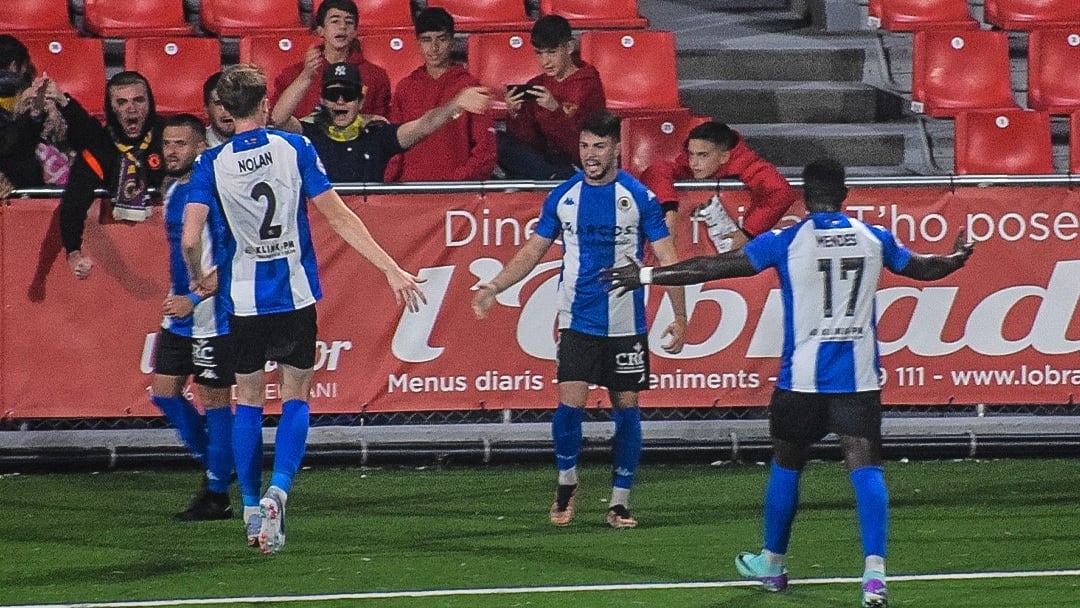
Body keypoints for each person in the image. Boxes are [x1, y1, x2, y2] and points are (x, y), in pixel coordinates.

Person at [603, 158, 975, 607]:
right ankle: (874, 576)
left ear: (804, 196)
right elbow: (923, 269)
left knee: (786, 466)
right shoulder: (872, 237)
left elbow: (714, 268)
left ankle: (773, 565)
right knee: (866, 466)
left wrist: (644, 274)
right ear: (845, 194)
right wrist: (956, 258)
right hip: (856, 379)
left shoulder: (788, 239)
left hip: (800, 381)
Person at [182, 64, 427, 555]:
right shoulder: (295, 148)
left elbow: (191, 237)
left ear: (225, 112)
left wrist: (199, 276)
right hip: (294, 293)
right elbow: (338, 215)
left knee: (248, 400)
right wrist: (390, 268)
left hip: (245, 299)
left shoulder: (210, 163)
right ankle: (280, 491)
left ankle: (252, 508)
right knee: (296, 396)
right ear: (266, 103)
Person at [472, 111, 688, 529]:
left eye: (599, 146)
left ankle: (620, 501)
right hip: (577, 318)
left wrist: (680, 316)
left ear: (617, 149)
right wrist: (494, 286)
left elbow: (667, 259)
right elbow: (534, 250)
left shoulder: (639, 198)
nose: (591, 155)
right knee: (568, 407)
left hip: (627, 322)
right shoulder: (564, 197)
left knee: (627, 411)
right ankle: (567, 481)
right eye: (585, 146)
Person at [150, 114, 234, 522]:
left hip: (211, 314)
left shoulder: (214, 193)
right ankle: (223, 461)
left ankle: (217, 494)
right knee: (163, 391)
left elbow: (234, 254)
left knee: (215, 400)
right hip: (180, 312)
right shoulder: (173, 188)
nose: (171, 151)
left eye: (181, 143)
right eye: (167, 143)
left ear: (201, 147)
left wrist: (195, 295)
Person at [276, 62, 492, 182]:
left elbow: (423, 126)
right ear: (323, 100)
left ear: (361, 101)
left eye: (348, 94)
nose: (340, 101)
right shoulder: (311, 133)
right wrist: (306, 77)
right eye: (333, 95)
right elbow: (278, 119)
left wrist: (455, 104)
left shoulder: (377, 134)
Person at [57, 71, 166, 279]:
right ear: (110, 108)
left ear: (150, 103)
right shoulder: (100, 146)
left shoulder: (169, 136)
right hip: (126, 255)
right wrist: (73, 252)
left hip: (168, 248)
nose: (131, 108)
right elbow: (74, 201)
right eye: (122, 102)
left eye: (139, 100)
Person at [640, 120, 797, 253]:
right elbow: (656, 171)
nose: (693, 162)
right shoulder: (688, 165)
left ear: (724, 156)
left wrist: (748, 233)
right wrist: (670, 210)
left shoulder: (749, 164)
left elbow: (781, 192)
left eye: (703, 155)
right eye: (691, 154)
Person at [383, 7, 496, 182]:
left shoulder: (469, 87)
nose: (434, 48)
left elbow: (485, 151)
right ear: (418, 43)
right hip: (407, 192)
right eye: (426, 40)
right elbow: (394, 146)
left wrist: (455, 183)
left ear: (451, 42)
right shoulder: (405, 87)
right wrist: (389, 186)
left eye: (441, 39)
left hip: (456, 195)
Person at [497, 14, 606, 181]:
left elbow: (582, 145)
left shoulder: (587, 84)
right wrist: (515, 114)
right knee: (495, 138)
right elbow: (528, 143)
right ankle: (546, 178)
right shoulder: (537, 84)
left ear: (569, 47)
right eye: (539, 53)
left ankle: (539, 179)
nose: (545, 61)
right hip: (542, 162)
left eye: (551, 52)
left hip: (574, 161)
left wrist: (555, 110)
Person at [270, 0, 391, 123]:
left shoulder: (376, 76)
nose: (343, 27)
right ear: (320, 30)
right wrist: (306, 75)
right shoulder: (292, 75)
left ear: (355, 32)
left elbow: (380, 124)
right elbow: (275, 120)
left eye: (349, 22)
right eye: (335, 21)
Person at [202, 72, 234, 148]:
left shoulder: (262, 142)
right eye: (219, 103)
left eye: (233, 102)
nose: (226, 109)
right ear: (206, 110)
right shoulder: (197, 145)